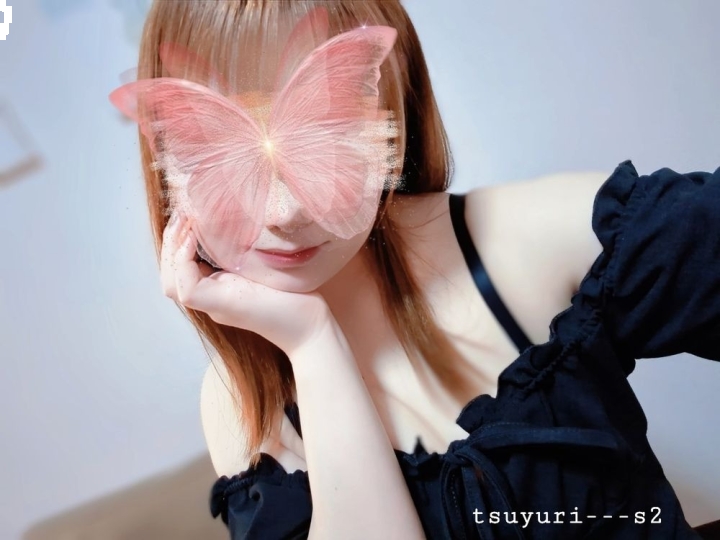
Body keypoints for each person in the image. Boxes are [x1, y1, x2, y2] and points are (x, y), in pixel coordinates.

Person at [110, 0, 720, 538]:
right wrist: (313, 344)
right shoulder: (241, 402)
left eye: (324, 128)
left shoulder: (522, 242)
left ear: (391, 106)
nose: (284, 212)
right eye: (219, 149)